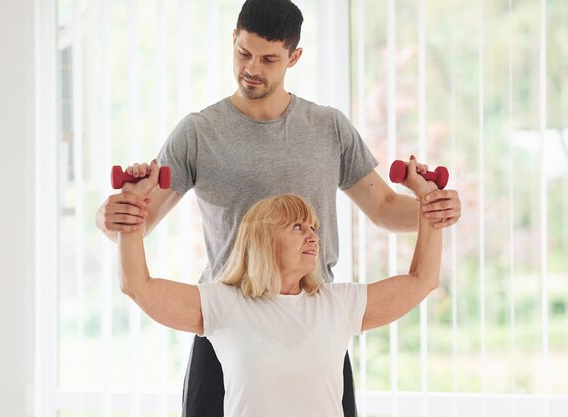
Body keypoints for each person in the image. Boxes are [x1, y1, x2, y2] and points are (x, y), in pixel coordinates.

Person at [96, 0, 462, 415]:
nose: (252, 68)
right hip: (229, 322)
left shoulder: (328, 128)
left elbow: (383, 207)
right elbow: (136, 222)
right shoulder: (199, 132)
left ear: (294, 57)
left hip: (312, 322)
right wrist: (111, 217)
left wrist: (434, 210)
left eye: (269, 59)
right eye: (244, 53)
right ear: (233, 39)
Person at [116, 157, 442, 417]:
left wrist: (429, 202)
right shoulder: (224, 303)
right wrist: (132, 203)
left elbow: (421, 280)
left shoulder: (338, 304)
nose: (313, 235)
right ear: (263, 239)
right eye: (297, 227)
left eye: (313, 226)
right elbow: (138, 286)